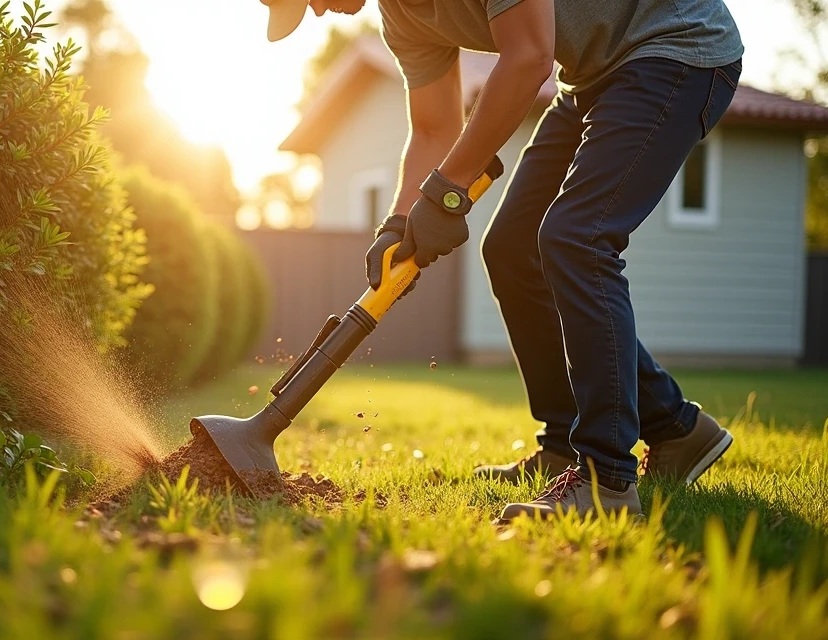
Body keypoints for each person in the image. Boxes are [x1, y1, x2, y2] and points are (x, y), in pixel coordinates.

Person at [257, 0, 743, 521]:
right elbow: (432, 130)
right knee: (511, 248)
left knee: (576, 238)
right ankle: (653, 431)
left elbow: (529, 58)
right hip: (592, 78)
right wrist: (398, 223)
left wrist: (447, 195)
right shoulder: (402, 17)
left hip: (673, 48)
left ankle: (607, 481)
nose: (319, 12)